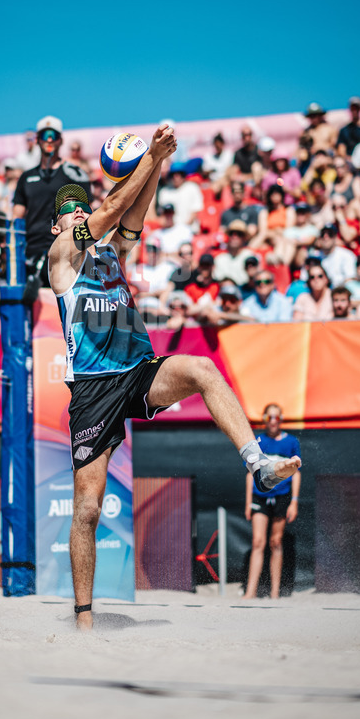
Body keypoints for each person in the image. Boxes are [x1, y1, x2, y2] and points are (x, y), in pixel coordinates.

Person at [47, 127, 300, 630]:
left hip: (138, 372)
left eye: (81, 206)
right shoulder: (61, 257)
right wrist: (151, 159)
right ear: (57, 225)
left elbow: (131, 215)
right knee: (88, 510)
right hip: (94, 390)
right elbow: (111, 213)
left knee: (203, 368)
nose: (79, 212)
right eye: (70, 210)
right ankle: (83, 620)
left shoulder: (109, 253)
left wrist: (157, 162)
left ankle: (259, 464)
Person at [12, 116, 92, 287]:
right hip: (31, 250)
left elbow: (86, 212)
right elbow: (16, 217)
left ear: (60, 140)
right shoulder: (26, 177)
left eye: (53, 135)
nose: (49, 139)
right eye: (44, 135)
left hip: (66, 247)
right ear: (37, 140)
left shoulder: (74, 174)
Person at [243, 403, 301, 600]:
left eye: (276, 417)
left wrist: (294, 501)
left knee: (276, 542)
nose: (273, 421)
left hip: (282, 495)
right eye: (269, 417)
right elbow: (250, 474)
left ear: (282, 419)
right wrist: (248, 503)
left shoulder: (291, 442)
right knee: (258, 541)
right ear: (265, 419)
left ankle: (275, 593)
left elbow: (296, 473)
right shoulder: (258, 441)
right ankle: (250, 592)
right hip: (260, 495)